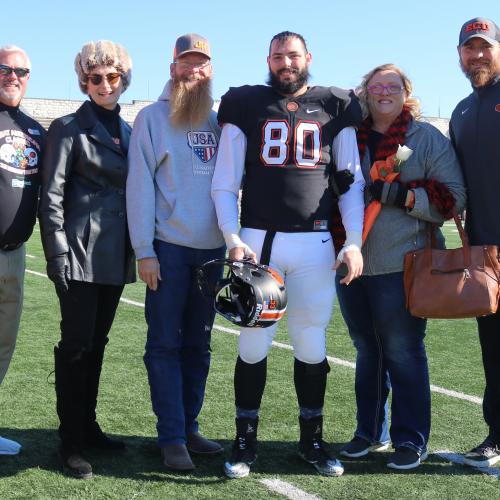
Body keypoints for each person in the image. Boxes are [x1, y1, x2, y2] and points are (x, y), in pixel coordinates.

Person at [211, 31, 365, 479]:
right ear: (268, 59)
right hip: (260, 242)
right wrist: (231, 235)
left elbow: (350, 181)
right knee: (254, 341)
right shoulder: (246, 102)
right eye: (278, 56)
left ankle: (312, 441)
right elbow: (225, 178)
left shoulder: (336, 104)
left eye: (293, 55)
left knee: (312, 342)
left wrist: (351, 240)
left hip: (316, 242)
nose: (286, 63)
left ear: (308, 58)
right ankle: (244, 441)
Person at [334, 63, 465, 470]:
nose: (384, 92)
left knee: (404, 351)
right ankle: (371, 431)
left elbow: (454, 198)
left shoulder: (425, 138)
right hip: (350, 263)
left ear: (406, 92)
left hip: (403, 263)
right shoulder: (346, 138)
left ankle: (411, 439)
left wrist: (403, 197)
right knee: (366, 350)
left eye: (393, 86)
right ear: (365, 92)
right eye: (377, 86)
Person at [126, 33, 225, 472]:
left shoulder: (218, 121)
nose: (194, 70)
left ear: (210, 71)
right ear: (173, 69)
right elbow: (139, 187)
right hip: (167, 248)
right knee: (164, 343)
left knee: (199, 345)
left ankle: (189, 426)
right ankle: (170, 436)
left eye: (202, 63)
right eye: (187, 62)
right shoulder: (151, 118)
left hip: (212, 251)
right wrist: (144, 250)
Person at [39, 40, 135, 479]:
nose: (104, 84)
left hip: (114, 255)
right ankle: (70, 441)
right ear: (84, 81)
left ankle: (89, 426)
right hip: (78, 252)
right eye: (95, 78)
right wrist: (56, 252)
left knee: (97, 344)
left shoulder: (129, 131)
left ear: (123, 79)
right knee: (76, 346)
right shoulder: (67, 127)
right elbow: (52, 195)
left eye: (111, 77)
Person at [450, 17, 500, 468]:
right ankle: (495, 437)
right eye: (470, 48)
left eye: (485, 47)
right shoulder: (463, 111)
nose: (477, 55)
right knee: (493, 349)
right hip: (485, 252)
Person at [0, 45, 45, 456]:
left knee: (3, 343)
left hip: (15, 254)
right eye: (5, 68)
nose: (12, 75)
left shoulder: (36, 130)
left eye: (21, 70)